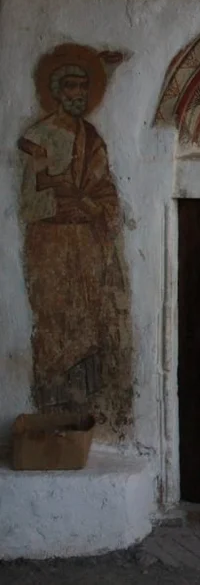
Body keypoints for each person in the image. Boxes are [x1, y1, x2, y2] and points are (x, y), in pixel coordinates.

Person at [18, 56, 131, 435]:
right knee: (55, 320)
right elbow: (31, 202)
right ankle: (52, 401)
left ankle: (87, 406)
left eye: (84, 87)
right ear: (56, 92)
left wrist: (91, 205)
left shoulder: (92, 138)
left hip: (87, 241)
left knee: (91, 319)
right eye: (70, 87)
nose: (78, 94)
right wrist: (63, 198)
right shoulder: (39, 139)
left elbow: (105, 193)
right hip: (51, 243)